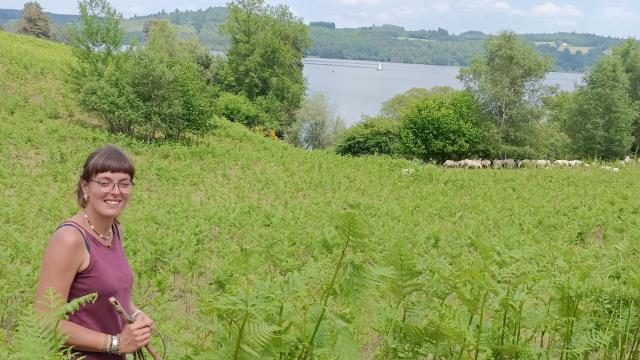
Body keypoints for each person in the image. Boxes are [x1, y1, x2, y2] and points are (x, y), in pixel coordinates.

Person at [35, 144, 153, 359]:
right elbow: (45, 321)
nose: (115, 191)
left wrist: (135, 314)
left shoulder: (114, 231)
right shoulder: (70, 239)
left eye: (124, 184)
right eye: (104, 183)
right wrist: (116, 343)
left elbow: (108, 295)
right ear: (85, 187)